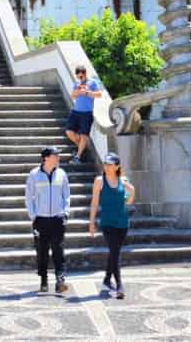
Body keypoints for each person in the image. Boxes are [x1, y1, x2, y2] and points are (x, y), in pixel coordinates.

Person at [25, 147, 71, 295]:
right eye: (55, 155)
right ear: (46, 158)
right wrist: (33, 216)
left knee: (59, 249)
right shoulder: (34, 175)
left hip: (58, 219)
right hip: (41, 220)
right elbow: (28, 196)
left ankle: (60, 280)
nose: (58, 157)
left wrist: (65, 213)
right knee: (42, 251)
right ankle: (43, 280)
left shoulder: (62, 174)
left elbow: (67, 195)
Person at [89, 152, 135, 299]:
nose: (107, 167)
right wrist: (91, 223)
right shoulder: (99, 181)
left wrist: (132, 191)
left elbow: (127, 202)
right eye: (105, 164)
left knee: (114, 252)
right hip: (107, 222)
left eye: (110, 164)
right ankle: (119, 285)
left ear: (117, 166)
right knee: (115, 252)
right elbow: (95, 203)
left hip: (122, 223)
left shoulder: (123, 180)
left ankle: (107, 279)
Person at [66, 67, 103, 166]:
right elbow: (73, 95)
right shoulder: (77, 84)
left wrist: (87, 92)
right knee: (69, 132)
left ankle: (78, 156)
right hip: (76, 111)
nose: (79, 76)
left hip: (87, 113)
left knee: (83, 135)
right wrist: (79, 90)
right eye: (77, 74)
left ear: (85, 73)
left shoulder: (93, 82)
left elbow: (99, 94)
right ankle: (81, 149)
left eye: (81, 74)